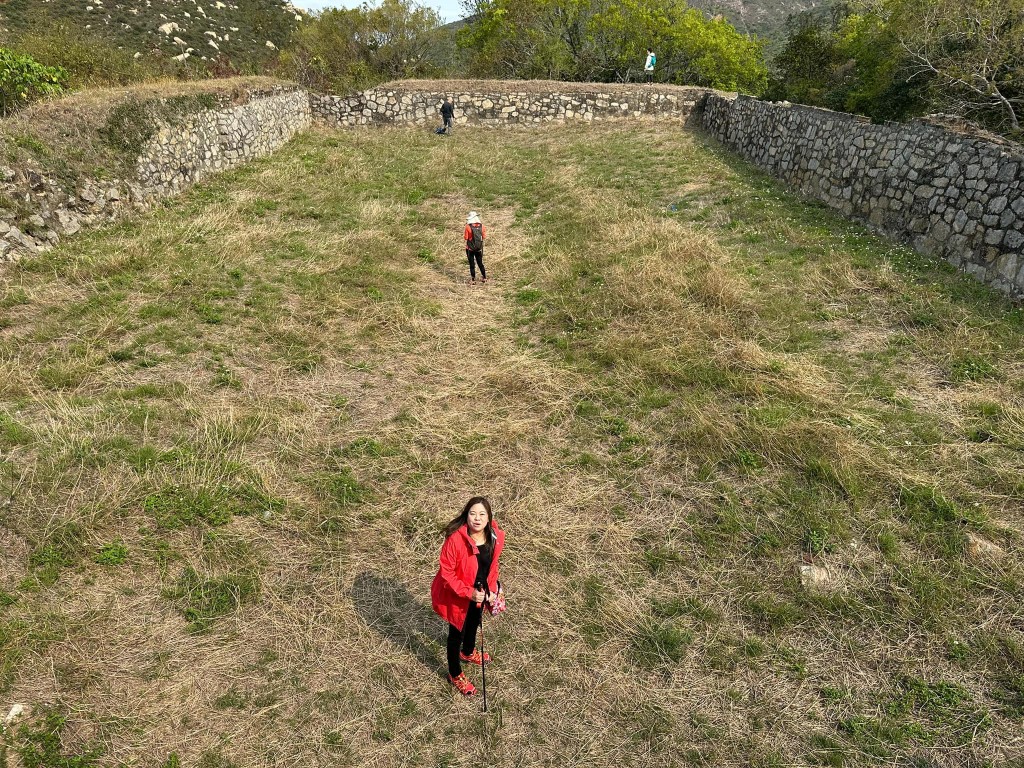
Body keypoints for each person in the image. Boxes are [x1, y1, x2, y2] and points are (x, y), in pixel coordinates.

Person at [430, 496, 505, 696]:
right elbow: (447, 574)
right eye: (472, 513)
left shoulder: (494, 537)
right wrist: (469, 593)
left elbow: (492, 566)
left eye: (482, 514)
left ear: (489, 518)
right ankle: (455, 673)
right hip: (458, 596)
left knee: (475, 621)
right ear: (466, 515)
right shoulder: (455, 539)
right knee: (456, 635)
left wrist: (490, 589)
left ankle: (469, 652)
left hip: (480, 594)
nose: (477, 518)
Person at [464, 211, 487, 284]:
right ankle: (484, 277)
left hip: (470, 248)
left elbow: (466, 237)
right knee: (480, 263)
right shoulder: (482, 226)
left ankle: (473, 280)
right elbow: (484, 237)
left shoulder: (468, 226)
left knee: (472, 264)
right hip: (479, 248)